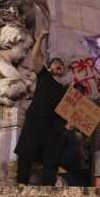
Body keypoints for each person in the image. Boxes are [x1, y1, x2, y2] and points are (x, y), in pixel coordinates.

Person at [15, 50, 66, 186]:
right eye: (55, 63)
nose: (59, 65)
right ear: (49, 68)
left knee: (52, 159)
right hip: (35, 122)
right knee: (26, 152)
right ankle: (21, 184)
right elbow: (35, 55)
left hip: (54, 128)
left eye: (61, 64)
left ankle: (48, 188)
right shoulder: (44, 76)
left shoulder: (67, 91)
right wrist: (41, 37)